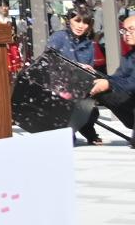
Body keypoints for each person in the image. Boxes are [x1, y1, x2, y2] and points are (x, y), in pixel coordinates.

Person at [75, 13, 135, 146]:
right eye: (124, 30)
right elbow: (118, 79)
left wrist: (108, 83)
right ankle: (82, 130)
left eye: (131, 29)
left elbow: (131, 83)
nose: (127, 34)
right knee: (89, 81)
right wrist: (94, 73)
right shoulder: (130, 55)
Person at [49, 8, 105, 144]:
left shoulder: (89, 45)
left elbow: (88, 74)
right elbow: (49, 60)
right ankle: (72, 130)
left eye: (85, 22)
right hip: (58, 86)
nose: (81, 26)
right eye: (77, 21)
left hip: (78, 88)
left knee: (90, 108)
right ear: (69, 21)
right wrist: (74, 66)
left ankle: (85, 129)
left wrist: (89, 71)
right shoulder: (59, 37)